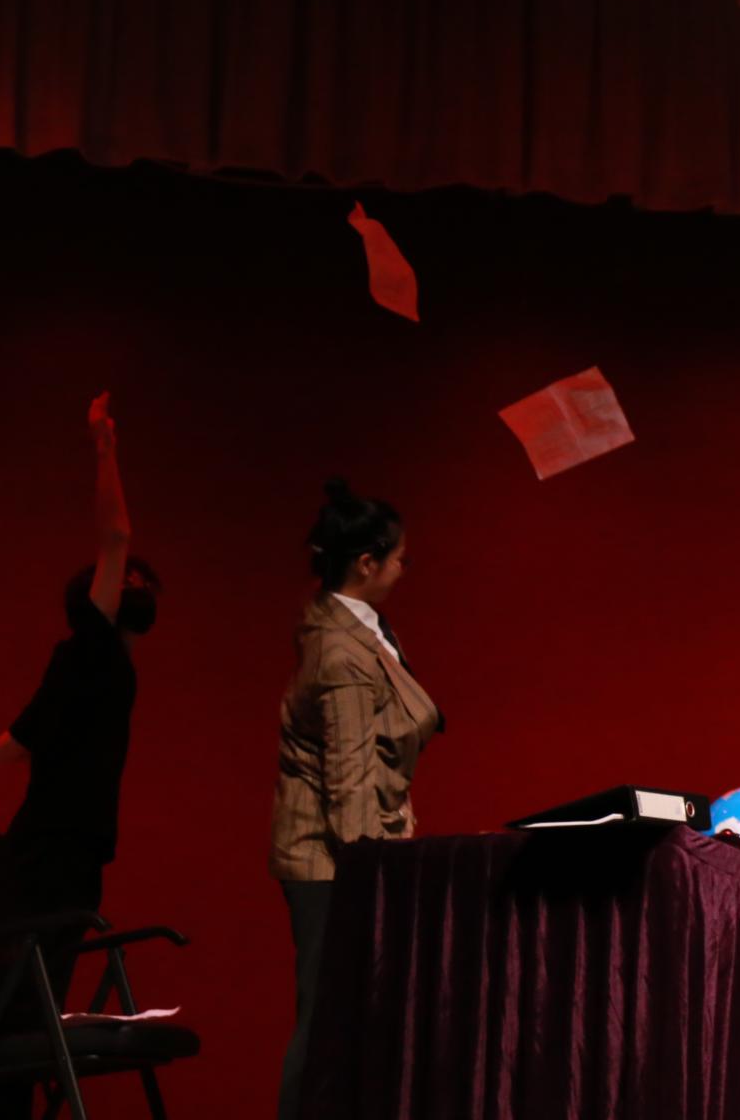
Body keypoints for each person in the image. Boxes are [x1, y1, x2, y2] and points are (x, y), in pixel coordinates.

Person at [0, 394, 161, 1118]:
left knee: (29, 1003)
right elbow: (116, 532)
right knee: (25, 1003)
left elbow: (18, 745)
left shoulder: (92, 669)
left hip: (60, 851)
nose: (137, 584)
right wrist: (104, 446)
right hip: (51, 852)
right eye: (128, 580)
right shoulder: (89, 652)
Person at [269, 478, 442, 1120]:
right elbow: (348, 781)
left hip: (352, 853)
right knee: (326, 1017)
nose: (403, 570)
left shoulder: (356, 629)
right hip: (331, 863)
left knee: (349, 1016)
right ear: (366, 563)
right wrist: (376, 873)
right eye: (400, 559)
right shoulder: (341, 652)